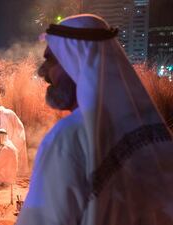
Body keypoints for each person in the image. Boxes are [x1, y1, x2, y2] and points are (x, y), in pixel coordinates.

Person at [17, 14, 173, 225]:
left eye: (51, 60)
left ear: (77, 62)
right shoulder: (149, 133)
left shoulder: (68, 138)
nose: (43, 73)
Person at [0, 102, 29, 176]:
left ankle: (18, 173)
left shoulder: (8, 113)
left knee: (13, 155)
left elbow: (15, 128)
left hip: (16, 137)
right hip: (5, 141)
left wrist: (9, 142)